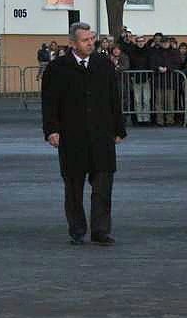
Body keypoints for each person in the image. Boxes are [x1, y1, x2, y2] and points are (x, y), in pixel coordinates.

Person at [41, 22, 127, 246]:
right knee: (73, 187)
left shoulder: (104, 65)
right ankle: (77, 229)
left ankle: (100, 230)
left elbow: (114, 99)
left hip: (101, 134)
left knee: (103, 186)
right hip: (72, 136)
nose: (90, 43)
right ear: (72, 43)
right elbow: (49, 103)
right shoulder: (58, 68)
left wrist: (119, 128)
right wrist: (51, 130)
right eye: (85, 40)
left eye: (92, 39)